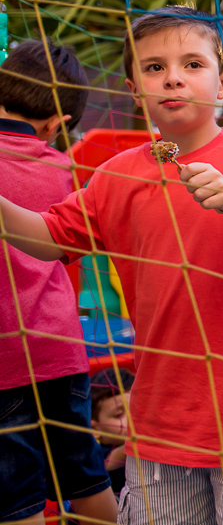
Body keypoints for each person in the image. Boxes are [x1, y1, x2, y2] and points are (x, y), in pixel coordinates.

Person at [0, 6, 223, 525]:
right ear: (133, 87)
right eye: (154, 67)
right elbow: (48, 236)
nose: (172, 76)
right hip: (158, 426)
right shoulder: (115, 176)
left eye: (192, 63)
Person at [0, 41, 119, 525]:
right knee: (84, 472)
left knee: (17, 491)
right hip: (58, 349)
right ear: (58, 124)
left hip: (4, 353)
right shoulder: (62, 167)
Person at [90, 368, 135, 498]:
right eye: (119, 414)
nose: (132, 417)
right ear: (94, 429)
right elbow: (112, 460)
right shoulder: (98, 455)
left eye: (135, 407)